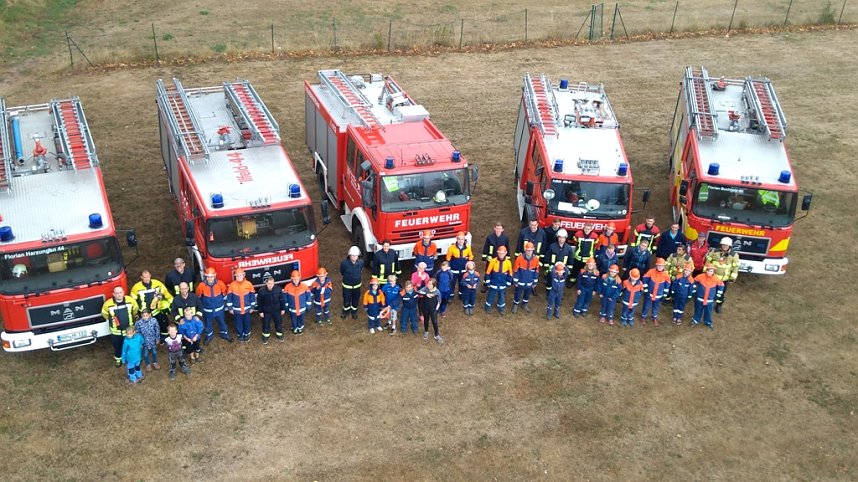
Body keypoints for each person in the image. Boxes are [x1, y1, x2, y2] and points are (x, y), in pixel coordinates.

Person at [129, 270, 173, 342]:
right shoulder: (136, 287)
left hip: (157, 310)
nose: (146, 279)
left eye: (148, 277)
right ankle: (149, 341)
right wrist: (135, 313)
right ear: (141, 277)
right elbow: (132, 301)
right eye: (144, 277)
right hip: (144, 313)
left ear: (150, 276)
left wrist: (171, 304)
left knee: (164, 323)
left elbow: (166, 293)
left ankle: (163, 339)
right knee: (146, 328)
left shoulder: (157, 283)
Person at [101, 286, 140, 367]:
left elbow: (135, 309)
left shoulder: (130, 300)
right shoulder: (107, 304)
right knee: (117, 346)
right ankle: (118, 359)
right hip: (116, 332)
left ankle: (131, 359)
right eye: (117, 293)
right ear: (113, 294)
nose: (119, 295)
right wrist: (113, 322)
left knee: (131, 345)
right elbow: (104, 314)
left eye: (120, 292)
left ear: (123, 292)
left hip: (129, 330)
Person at [196, 268, 231, 344]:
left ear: (215, 276)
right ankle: (209, 336)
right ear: (205, 276)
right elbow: (198, 297)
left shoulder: (220, 284)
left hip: (219, 309)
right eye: (208, 276)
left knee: (222, 322)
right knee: (208, 324)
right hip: (207, 310)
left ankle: (225, 334)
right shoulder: (201, 286)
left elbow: (224, 294)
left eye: (211, 276)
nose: (210, 278)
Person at [706, 237, 739, 314]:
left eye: (726, 245)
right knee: (710, 290)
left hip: (724, 279)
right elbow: (708, 260)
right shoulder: (714, 251)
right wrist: (705, 270)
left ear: (729, 246)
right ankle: (708, 303)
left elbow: (735, 267)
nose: (724, 246)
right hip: (713, 277)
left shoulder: (734, 255)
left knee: (721, 293)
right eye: (723, 245)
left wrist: (733, 277)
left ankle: (719, 305)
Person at [691, 263, 724, 329]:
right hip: (700, 298)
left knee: (708, 312)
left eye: (711, 271)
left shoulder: (717, 279)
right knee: (698, 310)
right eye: (708, 271)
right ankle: (695, 320)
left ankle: (708, 322)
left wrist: (717, 295)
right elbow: (693, 282)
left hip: (709, 300)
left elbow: (721, 286)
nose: (709, 272)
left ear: (713, 271)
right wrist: (694, 291)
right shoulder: (700, 276)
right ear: (706, 270)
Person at [226, 268, 256, 342]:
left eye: (240, 275)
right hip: (237, 310)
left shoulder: (249, 284)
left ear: (243, 275)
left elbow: (252, 297)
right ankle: (240, 335)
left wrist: (252, 307)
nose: (239, 277)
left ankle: (247, 334)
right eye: (237, 276)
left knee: (247, 322)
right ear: (235, 276)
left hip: (247, 309)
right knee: (238, 323)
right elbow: (229, 298)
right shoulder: (232, 285)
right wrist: (230, 308)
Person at [640, 258, 672, 326]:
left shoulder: (666, 275)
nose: (660, 267)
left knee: (656, 307)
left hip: (658, 295)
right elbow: (645, 279)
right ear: (656, 265)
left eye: (661, 266)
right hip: (649, 294)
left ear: (664, 266)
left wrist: (665, 295)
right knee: (646, 306)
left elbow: (667, 286)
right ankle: (643, 317)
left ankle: (654, 317)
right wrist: (646, 290)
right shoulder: (651, 272)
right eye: (659, 265)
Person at [542, 229, 574, 294]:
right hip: (552, 268)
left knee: (560, 283)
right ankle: (548, 293)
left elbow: (570, 260)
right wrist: (546, 269)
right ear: (557, 237)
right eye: (560, 237)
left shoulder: (568, 248)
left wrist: (569, 270)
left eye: (563, 237)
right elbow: (547, 258)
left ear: (565, 238)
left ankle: (558, 294)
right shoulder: (552, 246)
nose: (561, 239)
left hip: (562, 270)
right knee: (550, 282)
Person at [256, 273, 285, 343]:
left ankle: (279, 335)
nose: (270, 285)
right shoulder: (261, 291)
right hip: (266, 311)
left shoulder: (278, 289)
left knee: (278, 323)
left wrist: (283, 309)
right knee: (265, 324)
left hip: (276, 310)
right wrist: (260, 311)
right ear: (266, 283)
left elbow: (282, 300)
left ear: (274, 283)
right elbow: (259, 302)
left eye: (272, 283)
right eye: (269, 283)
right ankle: (265, 336)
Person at [484, 245, 513, 315]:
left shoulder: (508, 262)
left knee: (502, 297)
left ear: (505, 253)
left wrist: (509, 282)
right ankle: (487, 307)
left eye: (502, 253)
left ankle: (501, 308)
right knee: (491, 295)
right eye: (499, 253)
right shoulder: (493, 261)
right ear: (497, 253)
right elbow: (488, 272)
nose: (501, 254)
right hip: (494, 282)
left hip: (502, 283)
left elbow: (510, 273)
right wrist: (487, 282)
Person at [512, 242, 540, 314]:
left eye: (531, 250)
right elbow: (516, 270)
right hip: (521, 281)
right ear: (525, 250)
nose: (529, 252)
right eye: (528, 250)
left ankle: (524, 304)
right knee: (517, 293)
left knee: (527, 294)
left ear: (533, 250)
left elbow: (536, 271)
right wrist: (515, 281)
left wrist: (535, 282)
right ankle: (515, 304)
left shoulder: (536, 259)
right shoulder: (519, 258)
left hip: (529, 281)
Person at [481, 222, 510, 291]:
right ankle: (485, 285)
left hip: (501, 259)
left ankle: (499, 284)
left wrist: (507, 257)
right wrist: (485, 257)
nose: (498, 230)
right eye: (497, 228)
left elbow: (507, 247)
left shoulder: (505, 238)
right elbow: (486, 247)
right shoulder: (490, 237)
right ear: (494, 228)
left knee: (500, 272)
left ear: (502, 229)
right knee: (488, 271)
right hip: (491, 258)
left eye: (499, 228)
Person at [283, 270, 312, 335]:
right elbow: (285, 298)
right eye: (294, 279)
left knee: (301, 319)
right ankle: (295, 328)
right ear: (291, 279)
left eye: (297, 279)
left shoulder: (304, 286)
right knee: (293, 319)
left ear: (299, 278)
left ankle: (300, 328)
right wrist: (286, 306)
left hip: (302, 308)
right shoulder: (287, 287)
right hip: (292, 308)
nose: (296, 281)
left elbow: (308, 296)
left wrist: (308, 304)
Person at [446, 232, 473, 299]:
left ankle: (461, 295)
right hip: (454, 270)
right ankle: (451, 296)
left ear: (464, 240)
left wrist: (468, 263)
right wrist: (449, 267)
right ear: (456, 239)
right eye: (459, 239)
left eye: (462, 239)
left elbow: (471, 256)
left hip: (463, 269)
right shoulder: (451, 248)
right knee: (452, 284)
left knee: (462, 283)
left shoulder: (468, 247)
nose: (460, 241)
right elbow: (448, 258)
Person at [340, 246, 364, 320]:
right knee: (346, 299)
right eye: (352, 255)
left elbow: (361, 270)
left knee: (355, 299)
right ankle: (345, 312)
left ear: (358, 256)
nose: (354, 257)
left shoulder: (361, 262)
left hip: (357, 286)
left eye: (356, 255)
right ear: (349, 255)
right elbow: (342, 272)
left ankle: (354, 312)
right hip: (347, 286)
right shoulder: (344, 263)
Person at [418, 278, 443, 344]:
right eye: (428, 283)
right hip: (425, 308)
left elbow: (439, 301)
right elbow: (419, 292)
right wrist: (426, 294)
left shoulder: (437, 291)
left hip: (433, 310)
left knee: (435, 322)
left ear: (434, 285)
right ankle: (426, 331)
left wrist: (436, 309)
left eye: (430, 284)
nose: (428, 285)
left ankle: (436, 335)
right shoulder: (425, 289)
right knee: (426, 320)